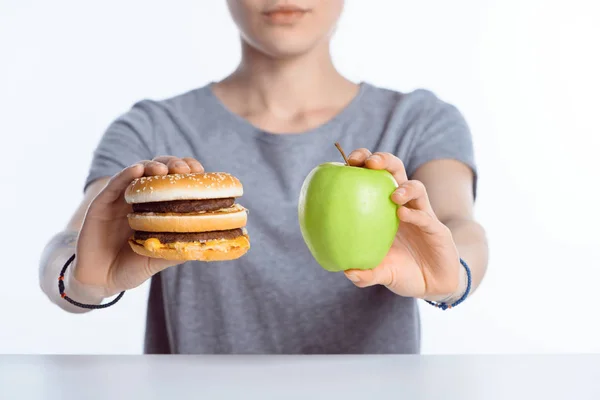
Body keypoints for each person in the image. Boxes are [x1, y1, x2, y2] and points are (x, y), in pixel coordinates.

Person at [39, 0, 488, 354]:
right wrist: (83, 279)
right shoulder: (151, 128)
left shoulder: (419, 121)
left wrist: (454, 273)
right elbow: (67, 247)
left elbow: (458, 224)